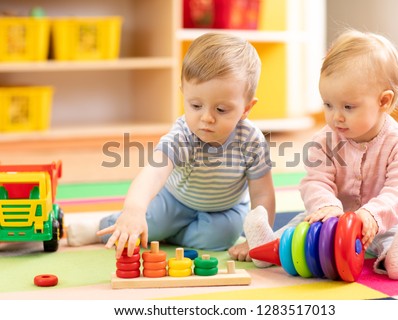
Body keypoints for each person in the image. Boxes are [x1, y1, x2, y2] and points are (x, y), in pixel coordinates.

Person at [67, 32, 275, 260]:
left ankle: (169, 234)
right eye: (195, 105)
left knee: (222, 238)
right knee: (144, 224)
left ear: (246, 108)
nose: (206, 118)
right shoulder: (183, 134)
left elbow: (263, 193)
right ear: (184, 94)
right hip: (175, 200)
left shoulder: (252, 141)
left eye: (221, 110)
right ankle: (100, 227)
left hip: (225, 210)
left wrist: (258, 240)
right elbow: (153, 174)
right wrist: (134, 210)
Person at [242, 29, 398, 280]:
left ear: (383, 101)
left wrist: (372, 215)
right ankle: (268, 245)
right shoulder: (325, 140)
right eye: (328, 104)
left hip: (381, 223)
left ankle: (396, 259)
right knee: (300, 228)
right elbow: (315, 181)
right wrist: (326, 206)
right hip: (331, 221)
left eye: (348, 107)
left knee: (394, 234)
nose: (336, 116)